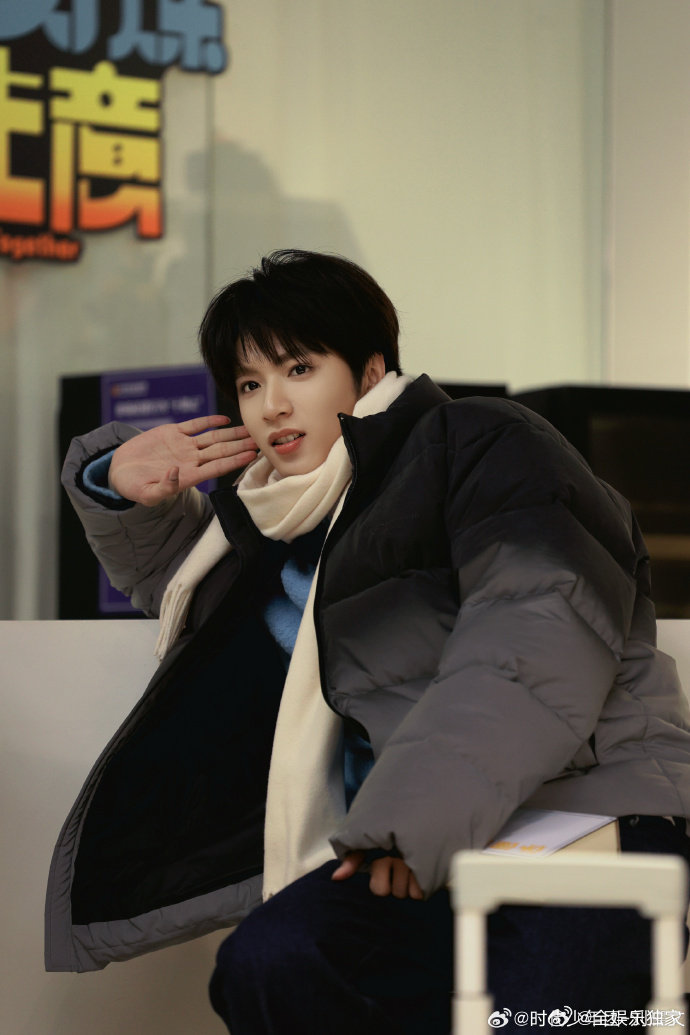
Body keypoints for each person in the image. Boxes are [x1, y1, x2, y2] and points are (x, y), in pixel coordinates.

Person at [48, 249, 690, 1034]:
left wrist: (407, 823)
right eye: (249, 383)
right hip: (412, 848)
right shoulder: (278, 525)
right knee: (273, 961)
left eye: (299, 368)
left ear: (372, 368)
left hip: (577, 815)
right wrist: (117, 487)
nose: (272, 405)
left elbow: (530, 640)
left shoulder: (484, 442)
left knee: (532, 1016)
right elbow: (189, 591)